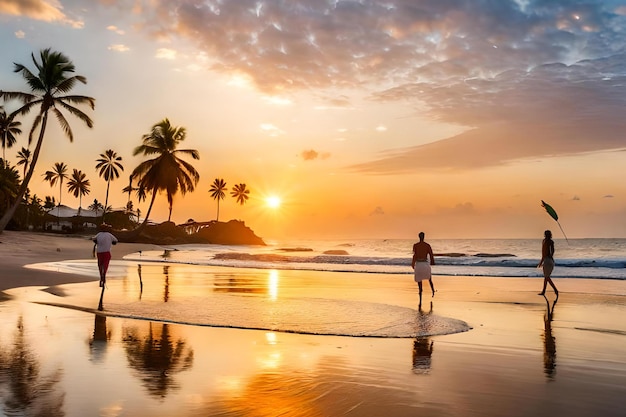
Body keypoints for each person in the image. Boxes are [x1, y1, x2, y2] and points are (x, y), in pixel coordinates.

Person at [411, 232, 436, 304]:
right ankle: (433, 291)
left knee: (419, 280)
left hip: (418, 264)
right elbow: (431, 254)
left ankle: (420, 291)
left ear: (419, 237)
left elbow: (415, 256)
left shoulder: (415, 245)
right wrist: (432, 262)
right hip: (425, 264)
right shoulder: (427, 245)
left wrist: (413, 263)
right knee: (429, 278)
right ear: (424, 237)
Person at [538, 229, 558, 296]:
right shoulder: (551, 242)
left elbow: (544, 253)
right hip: (551, 261)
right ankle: (543, 291)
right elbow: (552, 252)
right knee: (546, 277)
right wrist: (551, 257)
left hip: (546, 260)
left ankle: (555, 289)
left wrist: (541, 261)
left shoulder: (544, 241)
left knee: (547, 277)